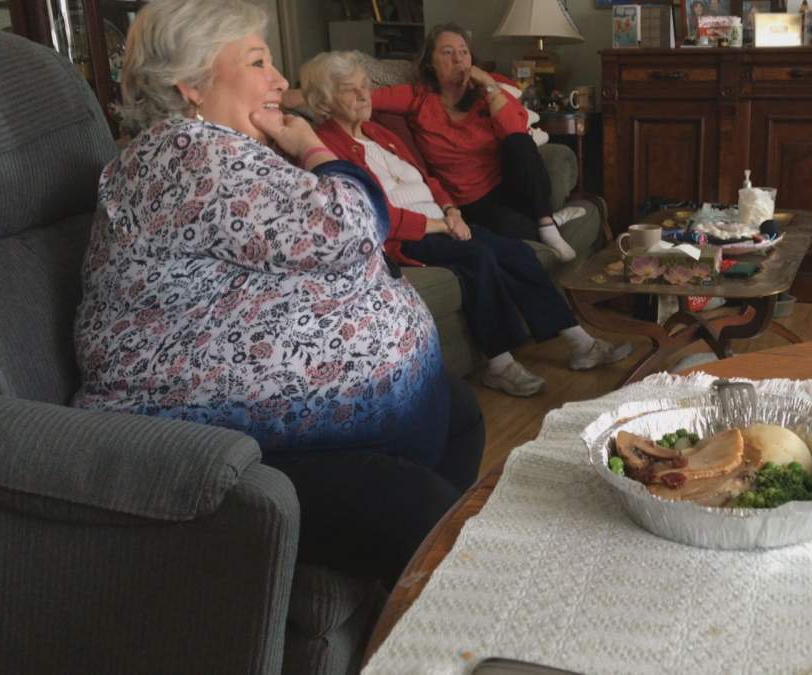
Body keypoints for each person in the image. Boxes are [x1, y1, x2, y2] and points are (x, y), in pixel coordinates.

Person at [72, 0, 483, 585]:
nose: (281, 80)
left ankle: (390, 587)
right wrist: (312, 145)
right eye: (259, 62)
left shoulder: (210, 153)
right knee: (428, 514)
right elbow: (357, 223)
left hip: (268, 401)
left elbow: (288, 249)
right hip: (192, 428)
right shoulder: (190, 155)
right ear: (191, 83)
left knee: (459, 416)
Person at [299, 51, 633, 397]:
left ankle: (581, 345)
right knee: (479, 258)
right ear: (324, 102)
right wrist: (440, 225)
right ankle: (500, 365)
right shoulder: (325, 148)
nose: (363, 95)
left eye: (365, 86)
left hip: (444, 219)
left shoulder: (378, 132)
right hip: (407, 235)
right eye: (349, 90)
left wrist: (451, 210)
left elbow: (428, 178)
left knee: (515, 251)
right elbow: (371, 214)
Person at [289, 24, 584, 262]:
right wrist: (279, 98)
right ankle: (547, 220)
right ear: (430, 63)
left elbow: (515, 127)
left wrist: (490, 86)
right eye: (447, 53)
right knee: (516, 232)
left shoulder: (486, 91)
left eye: (464, 52)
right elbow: (356, 97)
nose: (459, 60)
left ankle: (546, 221)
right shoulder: (417, 98)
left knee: (520, 142)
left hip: (508, 183)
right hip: (473, 201)